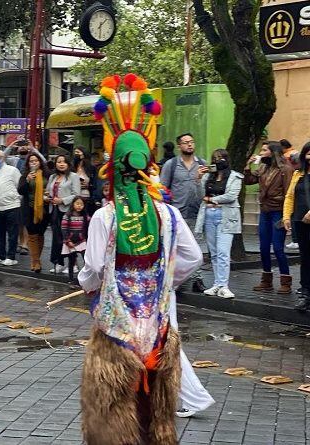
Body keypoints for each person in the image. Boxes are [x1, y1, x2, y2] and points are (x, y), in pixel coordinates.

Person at [79, 73, 202, 444]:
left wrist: (88, 288)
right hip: (158, 330)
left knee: (114, 415)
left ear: (112, 165)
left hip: (117, 333)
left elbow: (95, 269)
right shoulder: (168, 214)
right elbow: (193, 257)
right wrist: (165, 281)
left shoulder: (106, 216)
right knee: (157, 416)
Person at [245, 141, 294, 293]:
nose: (261, 152)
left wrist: (287, 217)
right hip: (265, 211)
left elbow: (289, 194)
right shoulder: (263, 167)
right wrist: (248, 166)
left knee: (278, 248)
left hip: (278, 212)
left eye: (264, 150)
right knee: (263, 247)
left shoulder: (285, 169)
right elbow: (249, 181)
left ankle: (286, 281)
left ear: (273, 152)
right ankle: (266, 281)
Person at [161, 132, 207, 291]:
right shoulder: (171, 165)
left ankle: (197, 280)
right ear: (179, 146)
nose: (189, 145)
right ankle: (176, 279)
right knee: (175, 247)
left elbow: (207, 188)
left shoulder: (202, 164)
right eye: (186, 142)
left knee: (196, 246)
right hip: (177, 213)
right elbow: (162, 189)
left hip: (196, 213)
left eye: (192, 142)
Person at [194, 149, 243, 299]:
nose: (218, 161)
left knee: (223, 252)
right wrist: (198, 179)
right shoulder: (208, 176)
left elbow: (231, 196)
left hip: (226, 216)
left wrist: (212, 200)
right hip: (209, 215)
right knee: (214, 253)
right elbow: (200, 196)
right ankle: (217, 284)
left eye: (221, 158)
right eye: (215, 158)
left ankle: (224, 285)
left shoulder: (235, 176)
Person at [285, 142, 310, 311]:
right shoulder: (297, 174)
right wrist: (286, 216)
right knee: (305, 258)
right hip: (300, 222)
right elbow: (289, 196)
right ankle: (306, 293)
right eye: (308, 153)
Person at [45, 154, 81, 273]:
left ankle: (73, 264)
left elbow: (76, 194)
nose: (61, 164)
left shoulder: (74, 176)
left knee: (69, 237)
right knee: (57, 238)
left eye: (64, 162)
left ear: (68, 164)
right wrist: (46, 197)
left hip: (68, 211)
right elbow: (48, 191)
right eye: (59, 162)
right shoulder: (53, 177)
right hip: (54, 210)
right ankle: (58, 262)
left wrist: (62, 200)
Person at [0, 149, 22, 266]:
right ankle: (0, 255)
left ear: (3, 158)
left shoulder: (13, 171)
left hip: (12, 206)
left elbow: (20, 186)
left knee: (12, 233)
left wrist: (15, 198)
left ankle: (11, 256)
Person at [17, 150, 48, 272]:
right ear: (28, 163)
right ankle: (35, 261)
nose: (34, 163)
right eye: (31, 161)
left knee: (40, 234)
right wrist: (28, 180)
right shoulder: (24, 176)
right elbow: (20, 190)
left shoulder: (47, 175)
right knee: (32, 234)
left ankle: (37, 259)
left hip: (43, 209)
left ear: (40, 162)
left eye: (36, 161)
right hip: (29, 209)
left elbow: (51, 187)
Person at [61, 196, 89, 283]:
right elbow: (64, 228)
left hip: (81, 241)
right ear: (73, 204)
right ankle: (71, 280)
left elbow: (91, 223)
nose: (79, 206)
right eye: (77, 203)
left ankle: (86, 279)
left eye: (81, 204)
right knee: (71, 261)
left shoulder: (85, 216)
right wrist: (67, 240)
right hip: (70, 242)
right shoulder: (67, 216)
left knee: (86, 259)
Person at [72, 146, 99, 214]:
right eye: (75, 152)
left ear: (84, 154)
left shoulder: (91, 168)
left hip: (86, 197)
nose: (76, 154)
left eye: (78, 152)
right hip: (73, 198)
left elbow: (95, 184)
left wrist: (88, 185)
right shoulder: (71, 168)